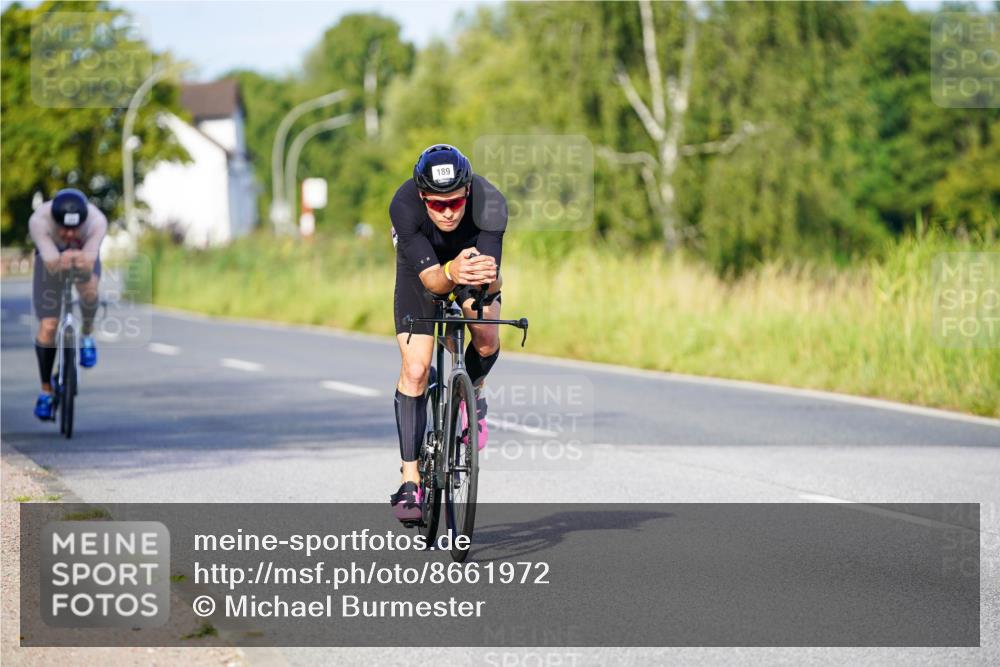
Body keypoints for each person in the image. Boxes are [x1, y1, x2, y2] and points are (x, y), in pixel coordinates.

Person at [388, 144, 507, 521]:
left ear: (468, 191)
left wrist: (479, 277)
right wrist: (452, 272)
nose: (448, 212)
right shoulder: (404, 205)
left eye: (455, 202)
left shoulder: (490, 202)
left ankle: (474, 396)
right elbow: (432, 282)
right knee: (417, 369)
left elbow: (490, 279)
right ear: (423, 197)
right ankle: (411, 480)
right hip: (423, 273)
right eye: (437, 205)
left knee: (487, 337)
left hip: (472, 267)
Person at [29, 188, 107, 420]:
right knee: (48, 326)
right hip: (48, 259)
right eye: (64, 229)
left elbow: (87, 263)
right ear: (54, 221)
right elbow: (52, 265)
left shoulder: (97, 221)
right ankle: (45, 390)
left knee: (90, 290)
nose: (70, 234)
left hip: (83, 257)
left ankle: (87, 335)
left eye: (76, 229)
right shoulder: (39, 221)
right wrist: (65, 257)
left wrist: (75, 258)